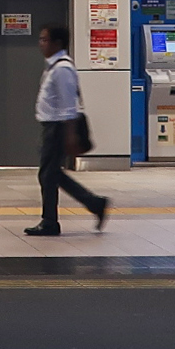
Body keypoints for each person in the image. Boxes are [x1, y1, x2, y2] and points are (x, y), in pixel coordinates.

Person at [26, 24, 107, 238]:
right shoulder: (54, 66)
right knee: (51, 174)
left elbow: (69, 105)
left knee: (48, 175)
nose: (41, 43)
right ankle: (95, 203)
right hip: (51, 127)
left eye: (45, 39)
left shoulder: (62, 69)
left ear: (57, 43)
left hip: (58, 128)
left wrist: (70, 135)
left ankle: (50, 221)